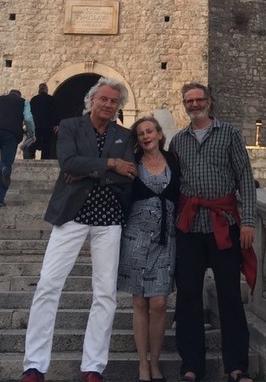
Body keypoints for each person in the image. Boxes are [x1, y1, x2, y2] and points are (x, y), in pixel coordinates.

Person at [21, 78, 137, 382]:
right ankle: (34, 365)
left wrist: (89, 171)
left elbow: (129, 176)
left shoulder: (124, 135)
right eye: (104, 99)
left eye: (114, 101)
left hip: (109, 219)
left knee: (105, 294)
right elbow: (68, 163)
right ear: (92, 100)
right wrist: (110, 163)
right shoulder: (71, 126)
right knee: (48, 284)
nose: (108, 105)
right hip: (72, 215)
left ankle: (93, 367)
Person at [170, 82, 257, 382]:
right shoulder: (178, 141)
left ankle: (237, 366)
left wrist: (248, 221)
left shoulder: (229, 134)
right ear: (184, 105)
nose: (194, 105)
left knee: (229, 295)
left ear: (209, 101)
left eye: (198, 100)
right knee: (188, 296)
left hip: (224, 224)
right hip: (190, 227)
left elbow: (245, 176)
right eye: (188, 101)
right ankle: (191, 366)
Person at [117, 116, 181, 382]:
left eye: (150, 131)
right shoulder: (132, 163)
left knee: (159, 302)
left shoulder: (174, 161)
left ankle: (155, 361)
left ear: (159, 134)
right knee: (140, 302)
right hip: (135, 238)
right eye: (141, 133)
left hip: (166, 239)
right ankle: (143, 364)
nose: (146, 136)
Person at [0, 89, 35, 208]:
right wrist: (31, 134)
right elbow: (28, 119)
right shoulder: (24, 102)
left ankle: (1, 168)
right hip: (12, 135)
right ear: (19, 95)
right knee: (7, 164)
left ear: (9, 93)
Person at [28, 83, 62, 159]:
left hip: (36, 124)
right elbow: (55, 112)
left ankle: (31, 155)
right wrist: (56, 124)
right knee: (46, 142)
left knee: (35, 140)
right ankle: (44, 158)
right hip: (48, 125)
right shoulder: (52, 99)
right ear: (46, 89)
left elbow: (30, 113)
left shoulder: (34, 99)